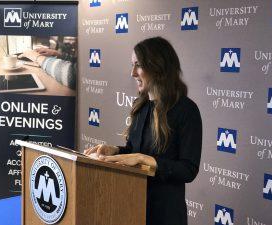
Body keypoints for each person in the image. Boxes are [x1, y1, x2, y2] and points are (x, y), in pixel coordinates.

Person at [84, 36, 202, 225]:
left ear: (157, 66)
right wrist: (115, 150)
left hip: (166, 215)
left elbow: (188, 170)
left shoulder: (187, 110)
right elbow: (134, 151)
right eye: (132, 65)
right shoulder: (141, 107)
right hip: (131, 207)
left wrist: (147, 160)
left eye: (138, 65)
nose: (132, 73)